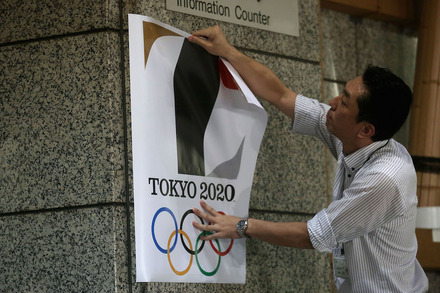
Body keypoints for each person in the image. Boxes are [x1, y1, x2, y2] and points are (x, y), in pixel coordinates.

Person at [189, 26, 429, 292]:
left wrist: (243, 226)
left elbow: (312, 234)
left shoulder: (385, 178)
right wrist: (227, 51)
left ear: (366, 130)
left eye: (345, 102)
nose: (332, 102)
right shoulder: (350, 134)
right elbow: (281, 95)